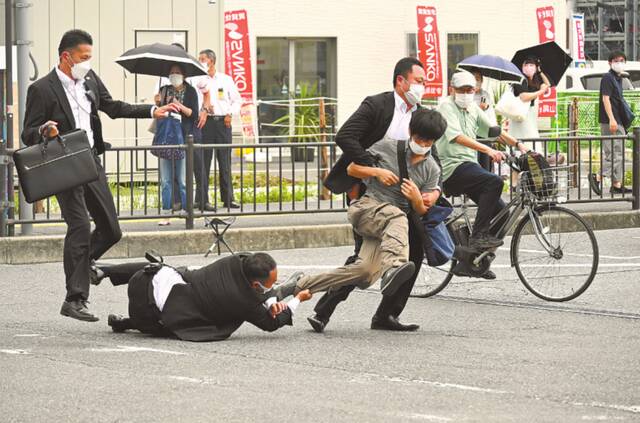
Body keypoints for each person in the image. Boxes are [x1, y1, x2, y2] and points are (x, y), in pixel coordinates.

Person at [21, 29, 177, 322]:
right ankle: (75, 298)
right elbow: (27, 132)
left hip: (90, 161)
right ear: (66, 57)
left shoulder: (90, 80)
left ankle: (83, 265)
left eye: (90, 57)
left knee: (111, 229)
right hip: (63, 163)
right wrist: (44, 130)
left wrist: (152, 110)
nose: (88, 63)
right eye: (84, 57)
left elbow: (113, 107)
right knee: (79, 226)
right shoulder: (42, 89)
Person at [312, 57, 437, 333]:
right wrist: (372, 166)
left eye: (425, 82)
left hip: (405, 196)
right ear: (400, 81)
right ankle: (324, 310)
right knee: (364, 257)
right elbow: (345, 136)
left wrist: (433, 190)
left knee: (413, 251)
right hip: (371, 191)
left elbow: (430, 150)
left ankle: (387, 315)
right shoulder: (377, 105)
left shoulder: (420, 113)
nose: (422, 87)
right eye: (419, 81)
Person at [279, 110, 445, 312]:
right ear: (410, 131)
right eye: (420, 139)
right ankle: (394, 266)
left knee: (364, 273)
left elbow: (421, 210)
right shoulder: (387, 147)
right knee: (398, 216)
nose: (424, 145)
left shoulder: (432, 169)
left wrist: (417, 199)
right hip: (367, 209)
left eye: (429, 142)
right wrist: (377, 171)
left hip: (388, 225)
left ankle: (299, 283)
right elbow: (351, 169)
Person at [96, 253, 312, 341]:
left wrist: (271, 298)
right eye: (270, 284)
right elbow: (271, 324)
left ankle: (105, 271)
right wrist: (298, 299)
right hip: (149, 318)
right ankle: (131, 322)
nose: (271, 286)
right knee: (182, 319)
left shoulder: (235, 260)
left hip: (141, 280)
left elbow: (256, 278)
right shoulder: (245, 302)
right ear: (255, 285)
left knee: (162, 269)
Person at [436, 71, 528, 252]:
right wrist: (488, 149)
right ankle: (478, 236)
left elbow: (494, 131)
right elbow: (456, 137)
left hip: (469, 168)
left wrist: (518, 144)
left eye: (470, 89)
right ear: (452, 89)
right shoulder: (446, 106)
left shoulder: (472, 108)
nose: (466, 93)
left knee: (502, 212)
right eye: (462, 89)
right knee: (494, 181)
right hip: (451, 168)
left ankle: (476, 259)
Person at [194, 49, 242, 211]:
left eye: (203, 59)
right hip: (205, 123)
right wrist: (203, 109)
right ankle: (202, 199)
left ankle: (228, 198)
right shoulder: (197, 80)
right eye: (199, 59)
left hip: (223, 123)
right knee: (203, 163)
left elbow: (237, 101)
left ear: (212, 61)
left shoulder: (226, 80)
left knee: (225, 162)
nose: (200, 61)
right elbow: (194, 101)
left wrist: (230, 113)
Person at [155, 64, 199, 225]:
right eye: (172, 72)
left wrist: (178, 105)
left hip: (184, 137)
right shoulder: (164, 89)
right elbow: (159, 113)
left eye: (178, 73)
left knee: (182, 179)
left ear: (184, 75)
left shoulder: (191, 91)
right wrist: (159, 104)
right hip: (166, 137)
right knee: (165, 179)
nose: (174, 75)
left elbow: (193, 114)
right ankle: (166, 213)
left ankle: (186, 210)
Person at [590, 51, 635, 195]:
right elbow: (605, 99)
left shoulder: (618, 78)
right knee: (615, 153)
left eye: (622, 60)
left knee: (618, 152)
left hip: (618, 120)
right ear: (609, 63)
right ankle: (597, 176)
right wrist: (611, 119)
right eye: (616, 61)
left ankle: (616, 184)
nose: (619, 63)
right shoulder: (608, 78)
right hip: (611, 121)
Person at [470, 69, 497, 172]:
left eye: (478, 79)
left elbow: (489, 111)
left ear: (482, 81)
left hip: (484, 132)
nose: (476, 81)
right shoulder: (467, 93)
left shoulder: (485, 94)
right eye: (474, 79)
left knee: (485, 162)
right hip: (471, 133)